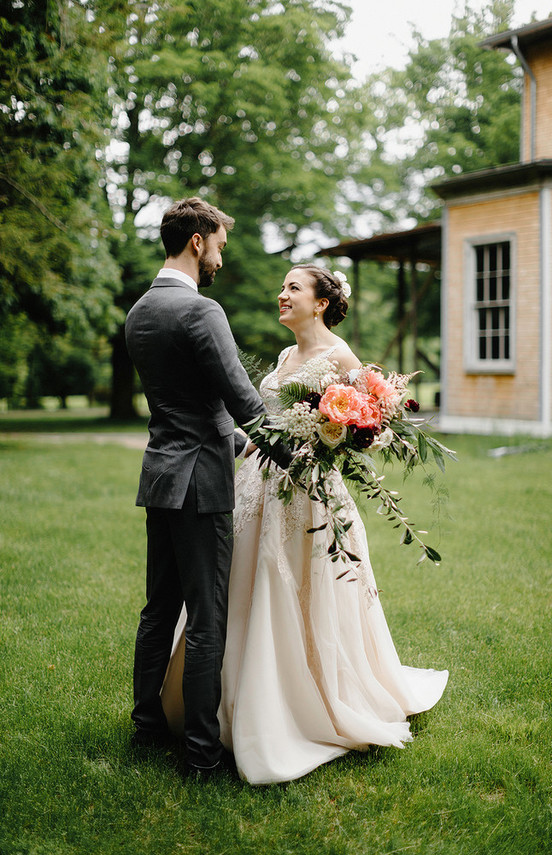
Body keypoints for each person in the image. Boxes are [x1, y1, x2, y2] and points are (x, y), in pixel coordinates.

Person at [161, 263, 448, 785]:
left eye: (293, 287)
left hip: (308, 491)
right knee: (239, 586)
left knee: (300, 589)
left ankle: (301, 701)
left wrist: (339, 437)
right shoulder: (284, 356)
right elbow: (267, 421)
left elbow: (377, 422)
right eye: (282, 286)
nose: (282, 294)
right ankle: (228, 700)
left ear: (320, 303)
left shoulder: (340, 355)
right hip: (257, 485)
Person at [125, 197, 290, 777]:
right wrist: (296, 455)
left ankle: (146, 727)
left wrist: (238, 440)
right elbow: (243, 399)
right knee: (206, 618)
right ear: (197, 241)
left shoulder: (140, 311)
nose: (221, 257)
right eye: (219, 245)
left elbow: (188, 402)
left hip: (160, 474)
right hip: (199, 483)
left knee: (158, 610)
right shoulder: (201, 311)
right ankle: (200, 752)